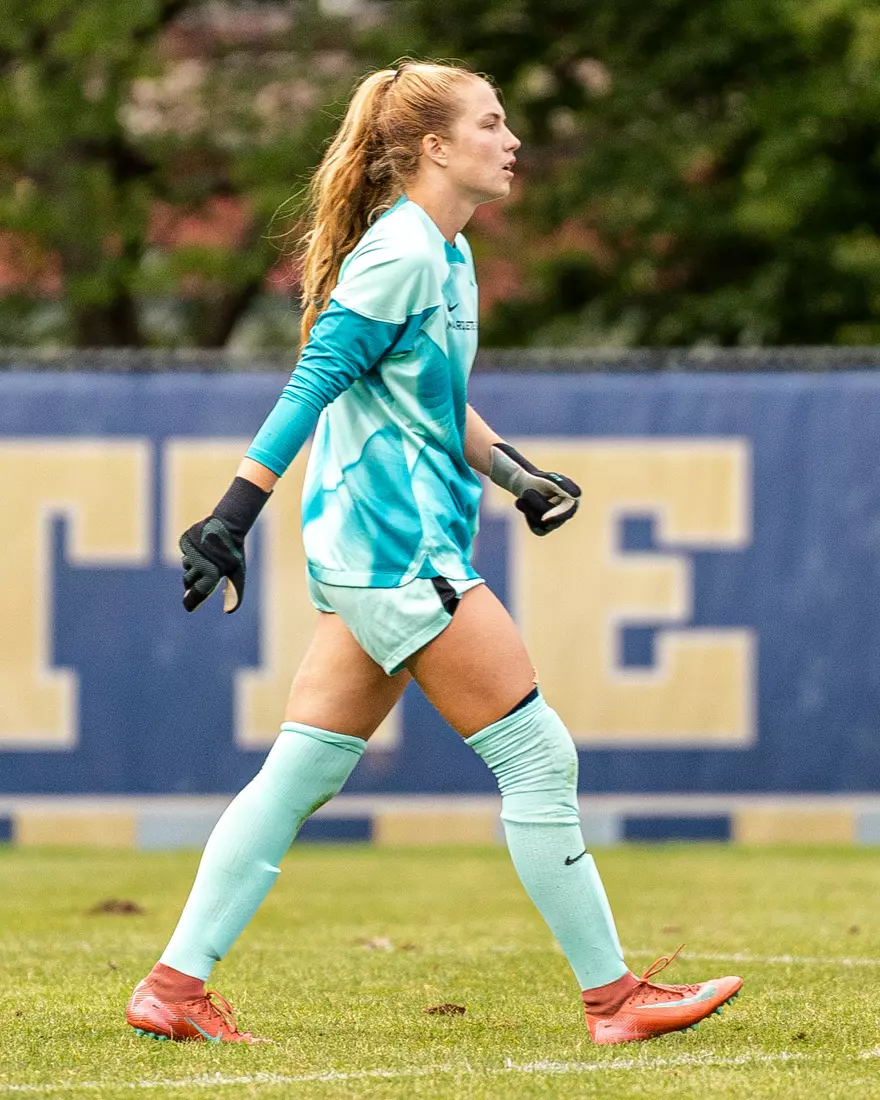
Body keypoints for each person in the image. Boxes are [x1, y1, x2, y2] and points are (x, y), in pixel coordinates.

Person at [126, 59, 742, 1047]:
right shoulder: (403, 251)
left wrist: (515, 474)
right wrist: (231, 514)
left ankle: (172, 987)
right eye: (491, 123)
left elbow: (432, 398)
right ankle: (614, 1000)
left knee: (298, 773)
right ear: (435, 146)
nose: (511, 140)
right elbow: (315, 378)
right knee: (537, 756)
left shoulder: (445, 252)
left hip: (383, 550)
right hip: (399, 551)